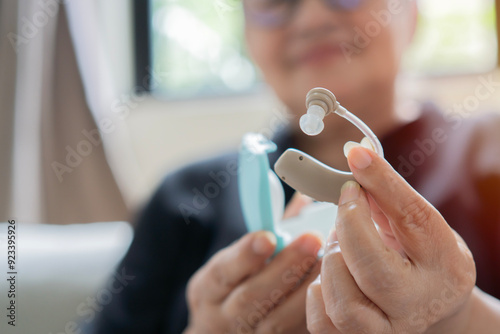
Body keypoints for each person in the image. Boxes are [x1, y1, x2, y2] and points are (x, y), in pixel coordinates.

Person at [92, 0, 500, 333]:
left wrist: (462, 318)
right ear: (249, 38)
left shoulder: (490, 160)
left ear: (410, 12)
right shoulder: (186, 197)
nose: (312, 17)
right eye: (274, 2)